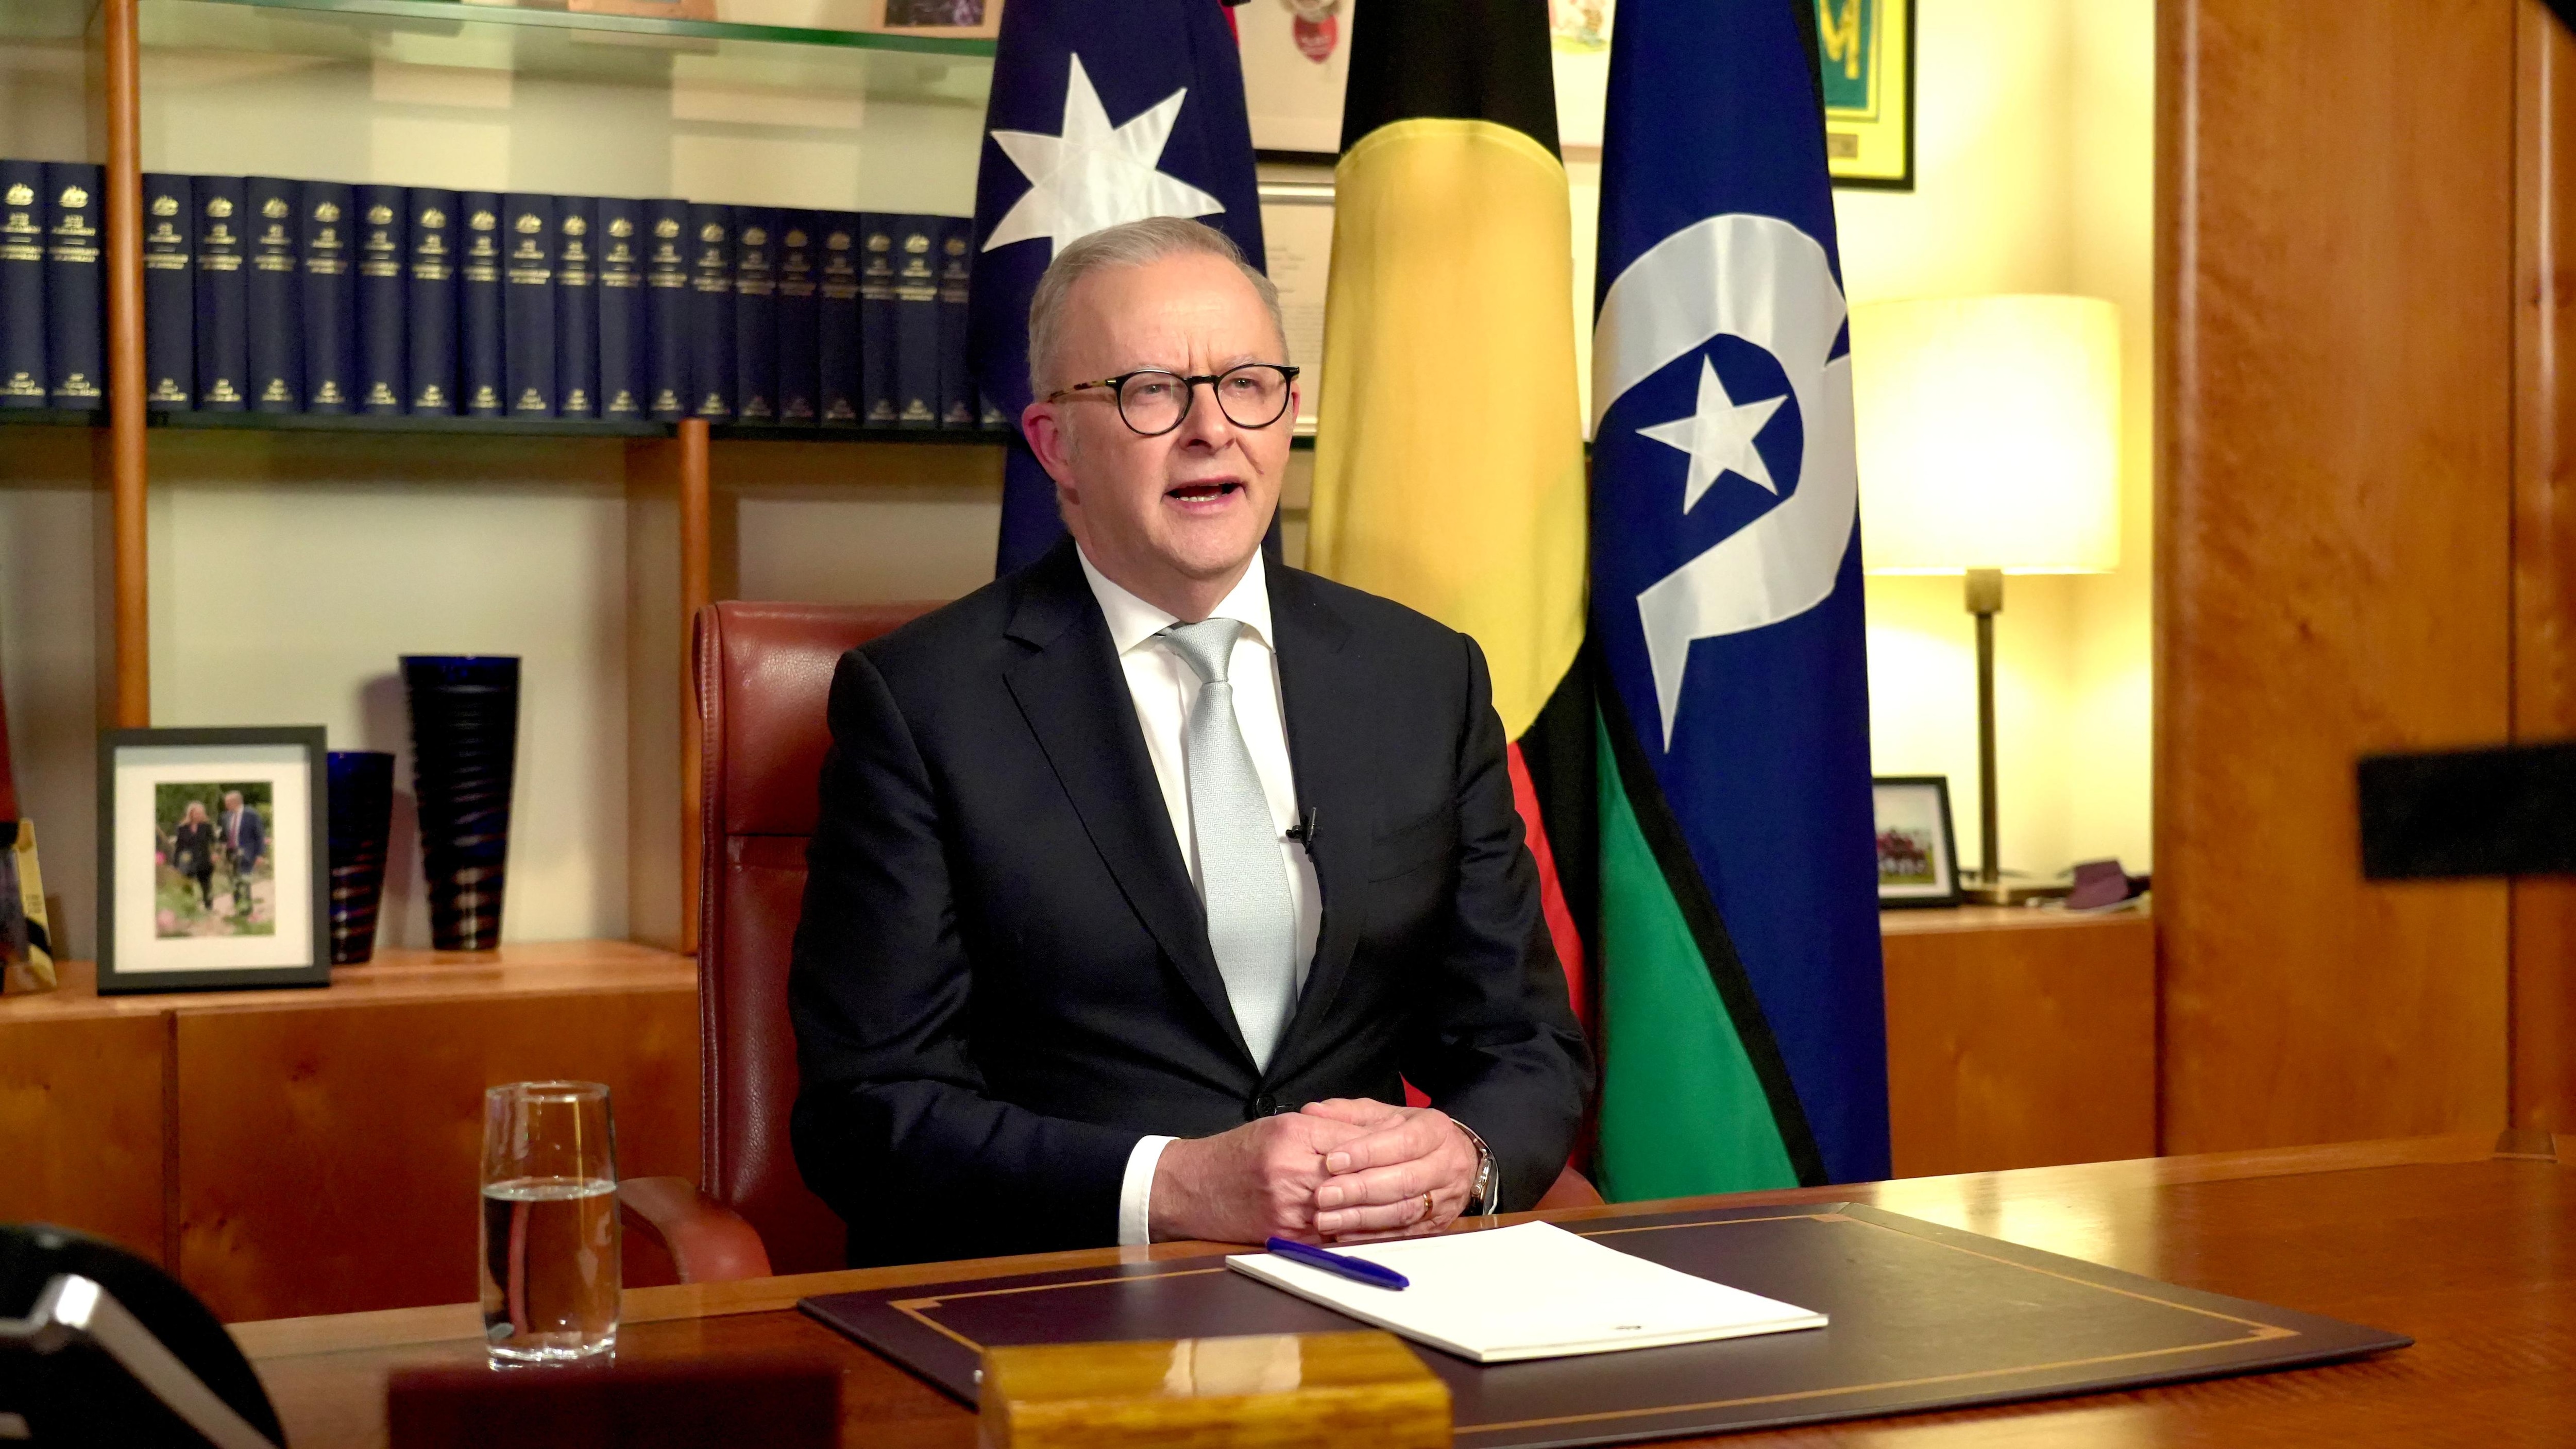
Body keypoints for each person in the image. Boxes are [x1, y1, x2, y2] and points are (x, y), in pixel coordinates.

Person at [789, 217, 1590, 1268]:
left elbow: (1524, 1044)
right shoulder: (923, 703)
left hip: (1383, 1278)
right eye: (1149, 389)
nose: (1211, 428)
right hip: (1062, 1291)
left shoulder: (1421, 678)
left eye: (1247, 383)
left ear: (1287, 413)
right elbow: (868, 1111)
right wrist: (1173, 1185)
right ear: (1054, 445)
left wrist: (1463, 1155)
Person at [220, 791, 265, 917]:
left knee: (245, 882)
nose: (226, 805)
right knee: (234, 883)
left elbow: (259, 835)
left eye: (228, 803)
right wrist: (221, 847)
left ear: (236, 802)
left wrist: (260, 855)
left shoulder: (251, 815)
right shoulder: (226, 816)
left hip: (247, 854)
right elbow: (224, 835)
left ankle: (247, 911)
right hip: (232, 854)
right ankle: (239, 910)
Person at [172, 802, 216, 911]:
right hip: (188, 861)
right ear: (190, 814)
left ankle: (209, 908)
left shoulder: (207, 827)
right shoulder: (182, 828)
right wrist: (176, 863)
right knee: (187, 886)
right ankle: (190, 909)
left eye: (201, 813)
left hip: (204, 860)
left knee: (206, 886)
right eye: (196, 813)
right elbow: (179, 846)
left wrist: (215, 854)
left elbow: (214, 842)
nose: (198, 815)